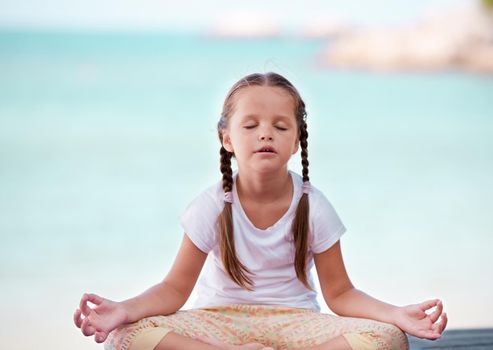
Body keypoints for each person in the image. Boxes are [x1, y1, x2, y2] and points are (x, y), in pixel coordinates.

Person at [74, 72, 448, 350]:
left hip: (295, 325)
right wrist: (124, 310)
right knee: (128, 337)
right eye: (250, 125)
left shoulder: (312, 206)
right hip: (217, 324)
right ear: (227, 139)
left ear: (296, 141)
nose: (265, 133)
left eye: (280, 126)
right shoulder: (212, 206)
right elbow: (174, 289)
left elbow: (341, 293)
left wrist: (396, 314)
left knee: (387, 339)